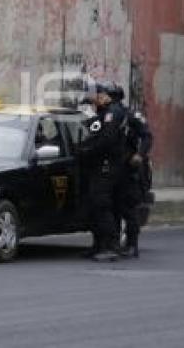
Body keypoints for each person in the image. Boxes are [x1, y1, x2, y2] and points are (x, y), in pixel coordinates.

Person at [75, 81, 128, 263]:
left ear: (102, 95)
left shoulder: (112, 113)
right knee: (95, 206)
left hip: (107, 166)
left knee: (103, 205)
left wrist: (86, 150)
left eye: (94, 99)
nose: (93, 103)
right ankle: (99, 245)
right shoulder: (103, 113)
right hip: (99, 166)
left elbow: (106, 140)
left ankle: (112, 247)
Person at [109, 85, 153, 258]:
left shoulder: (130, 115)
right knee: (114, 207)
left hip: (130, 168)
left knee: (128, 208)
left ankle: (132, 245)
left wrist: (139, 155)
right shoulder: (109, 116)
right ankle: (115, 243)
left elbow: (147, 136)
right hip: (114, 168)